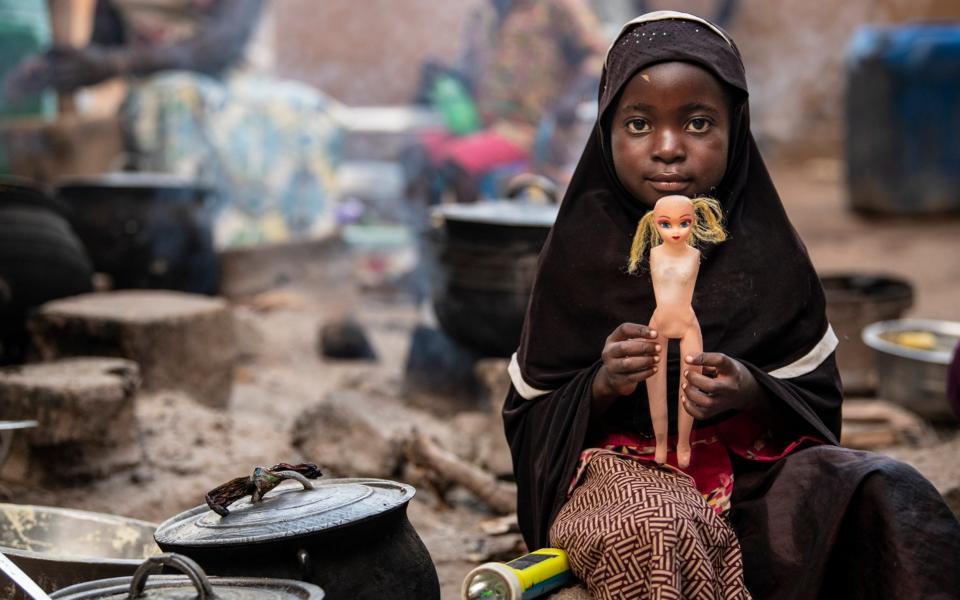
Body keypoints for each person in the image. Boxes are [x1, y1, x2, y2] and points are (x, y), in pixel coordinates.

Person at [502, 11, 960, 599]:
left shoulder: (767, 251)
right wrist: (600, 384)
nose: (667, 149)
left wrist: (750, 388)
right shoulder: (577, 255)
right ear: (606, 132)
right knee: (654, 532)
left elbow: (817, 407)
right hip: (619, 477)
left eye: (697, 123)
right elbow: (530, 415)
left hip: (750, 479)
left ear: (736, 129)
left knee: (882, 486)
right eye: (638, 125)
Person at [4, 0, 342, 248]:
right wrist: (51, 69)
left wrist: (115, 62)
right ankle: (157, 249)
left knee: (170, 99)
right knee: (155, 102)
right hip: (150, 92)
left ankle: (206, 248)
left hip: (231, 87)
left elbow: (220, 47)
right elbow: (102, 43)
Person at [414, 0, 608, 204]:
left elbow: (599, 56)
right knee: (418, 153)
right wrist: (445, 76)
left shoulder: (558, 6)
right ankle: (432, 230)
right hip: (484, 125)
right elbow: (470, 66)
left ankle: (472, 231)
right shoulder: (484, 11)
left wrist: (570, 100)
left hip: (531, 129)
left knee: (458, 164)